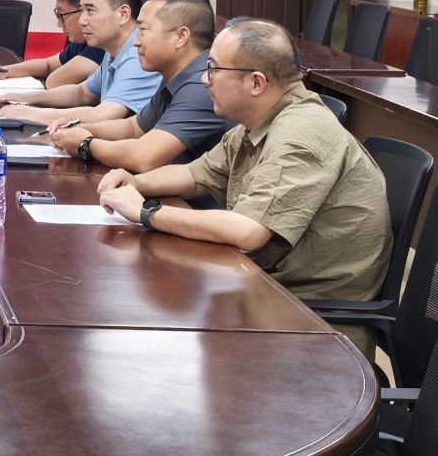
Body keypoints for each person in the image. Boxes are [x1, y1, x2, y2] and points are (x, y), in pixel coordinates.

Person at [96, 17, 391, 329]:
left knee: (155, 314)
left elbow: (248, 230)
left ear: (256, 83)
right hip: (265, 289)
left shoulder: (300, 133)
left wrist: (146, 212)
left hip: (310, 318)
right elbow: (198, 174)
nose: (205, 80)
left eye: (213, 69)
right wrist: (135, 182)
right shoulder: (264, 117)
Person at [49, 0, 229, 174]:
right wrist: (77, 127)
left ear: (180, 37)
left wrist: (84, 143)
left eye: (143, 30)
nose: (136, 41)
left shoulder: (201, 86)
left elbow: (143, 157)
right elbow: (133, 127)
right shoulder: (175, 75)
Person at [1, 0, 160, 124]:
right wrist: (24, 98)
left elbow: (104, 115)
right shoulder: (113, 51)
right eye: (82, 10)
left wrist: (32, 113)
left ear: (123, 14)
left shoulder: (138, 54)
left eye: (90, 11)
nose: (82, 20)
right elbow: (82, 93)